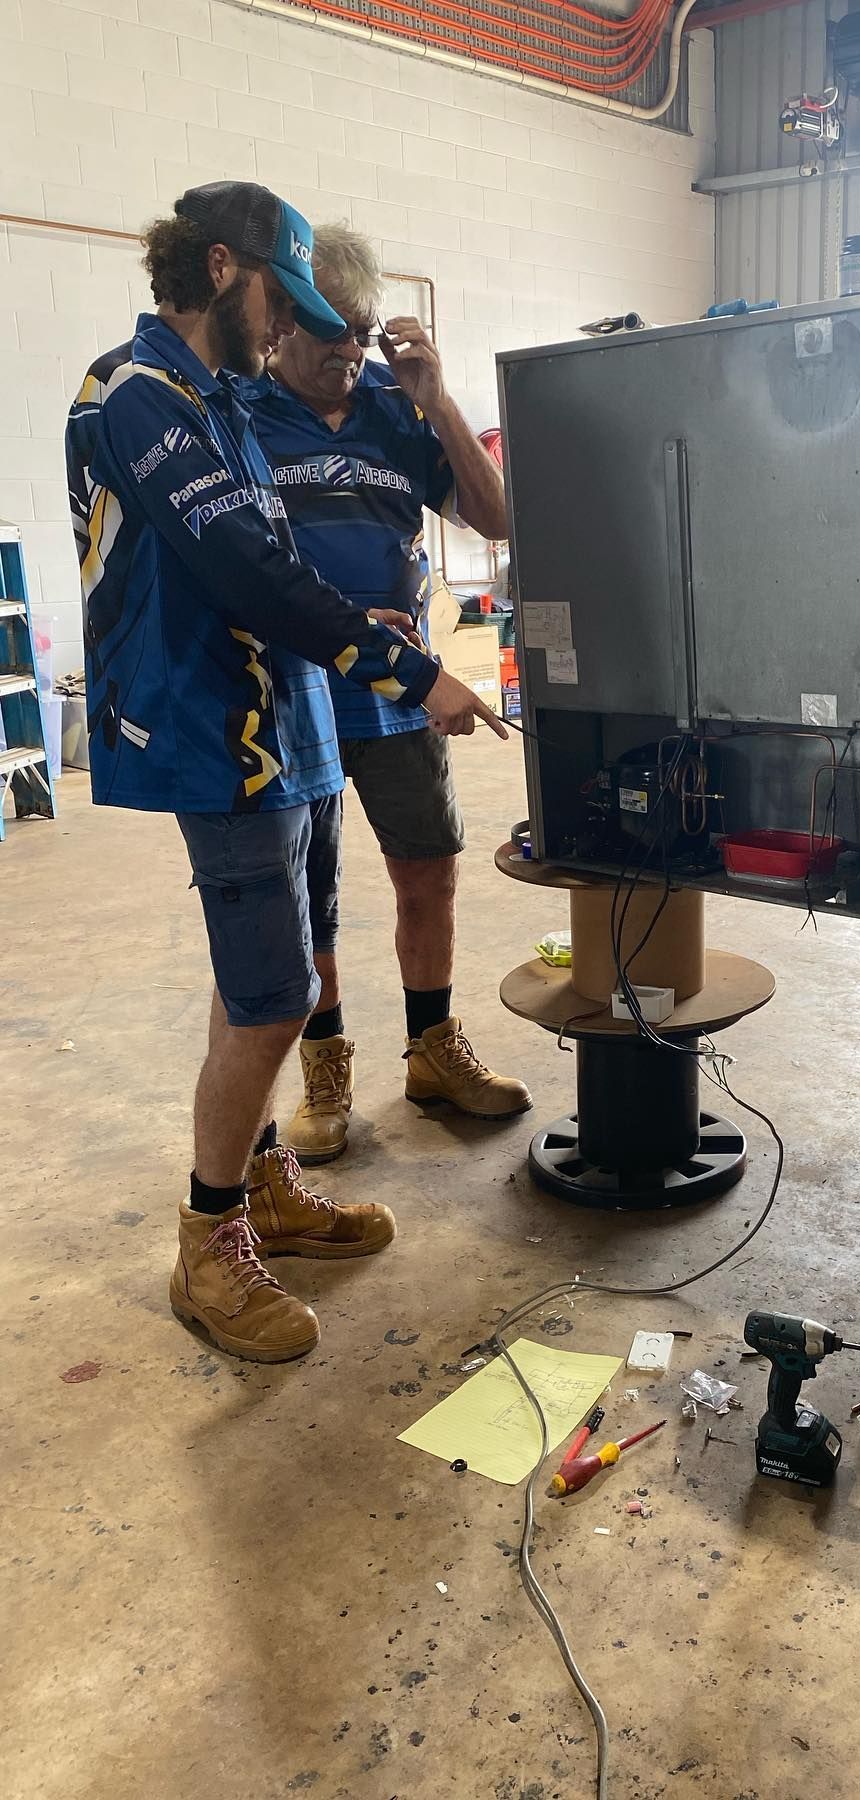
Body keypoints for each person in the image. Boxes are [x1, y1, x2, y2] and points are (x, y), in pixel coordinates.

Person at [65, 181, 506, 1364]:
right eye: (285, 300)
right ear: (221, 268)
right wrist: (415, 678)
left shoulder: (219, 401)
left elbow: (273, 569)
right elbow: (248, 573)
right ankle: (207, 1246)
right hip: (216, 738)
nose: (294, 329)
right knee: (267, 997)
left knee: (280, 972)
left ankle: (261, 1181)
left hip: (289, 722)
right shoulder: (139, 394)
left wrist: (356, 620)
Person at [245, 224, 530, 1165]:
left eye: (362, 333)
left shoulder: (391, 406)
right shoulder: (239, 411)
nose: (349, 354)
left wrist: (438, 401)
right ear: (279, 323)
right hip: (293, 696)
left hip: (401, 694)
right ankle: (326, 1072)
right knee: (309, 893)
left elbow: (494, 519)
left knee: (429, 868)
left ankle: (432, 1047)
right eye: (331, 334)